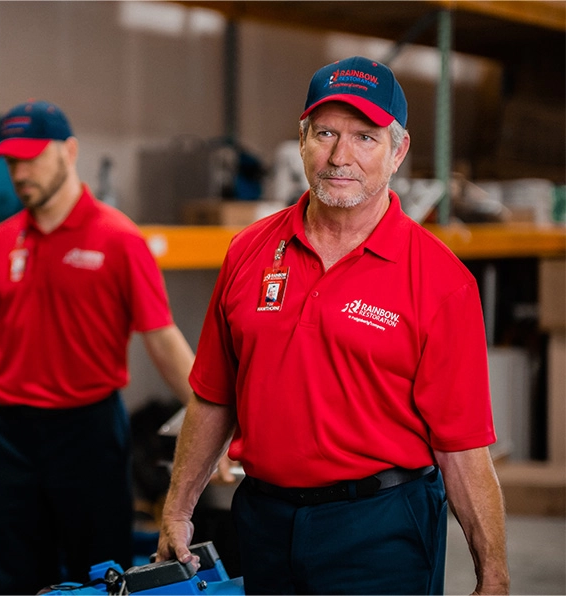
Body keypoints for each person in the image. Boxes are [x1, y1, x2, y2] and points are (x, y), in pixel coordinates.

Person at [156, 56, 510, 595]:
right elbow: (213, 396)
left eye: (365, 137)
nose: (340, 156)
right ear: (302, 140)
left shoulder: (441, 281)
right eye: (325, 133)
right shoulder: (248, 253)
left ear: (398, 150)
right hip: (264, 519)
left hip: (380, 529)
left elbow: (461, 450)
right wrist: (178, 509)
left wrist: (494, 576)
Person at [0, 99, 196, 594]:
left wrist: (211, 418)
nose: (19, 173)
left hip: (87, 434)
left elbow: (162, 339)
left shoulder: (118, 239)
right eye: (10, 162)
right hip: (11, 436)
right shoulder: (0, 244)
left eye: (30, 157)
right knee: (16, 576)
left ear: (69, 151)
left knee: (99, 575)